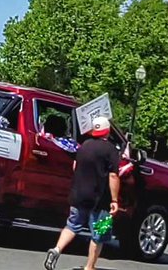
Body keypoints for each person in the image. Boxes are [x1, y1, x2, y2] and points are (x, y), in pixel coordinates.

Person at [44, 115, 120, 270]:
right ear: (108, 131)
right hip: (101, 200)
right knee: (99, 234)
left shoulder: (84, 146)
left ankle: (56, 249)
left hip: (78, 195)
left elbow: (74, 167)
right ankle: (90, 267)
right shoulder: (111, 150)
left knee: (72, 225)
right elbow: (113, 175)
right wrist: (114, 200)